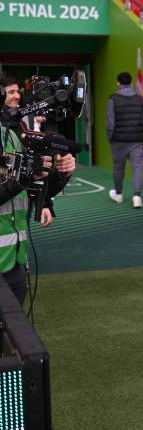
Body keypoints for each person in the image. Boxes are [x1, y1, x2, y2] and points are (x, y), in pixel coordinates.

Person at [0, 77, 76, 304]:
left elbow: (25, 184)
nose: (13, 97)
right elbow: (18, 180)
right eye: (8, 92)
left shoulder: (10, 136)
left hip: (15, 260)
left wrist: (60, 176)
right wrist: (26, 176)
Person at [106, 72, 143, 209]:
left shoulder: (113, 100)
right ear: (131, 82)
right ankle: (137, 196)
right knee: (138, 168)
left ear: (118, 83)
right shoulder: (140, 99)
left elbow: (110, 124)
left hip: (119, 141)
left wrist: (110, 138)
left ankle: (118, 193)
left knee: (118, 167)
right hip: (136, 140)